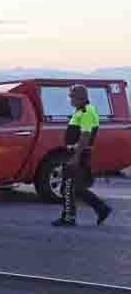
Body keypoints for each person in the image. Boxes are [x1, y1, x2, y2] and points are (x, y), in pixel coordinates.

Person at [52, 84, 112, 227]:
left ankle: (68, 218)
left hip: (78, 153)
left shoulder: (86, 112)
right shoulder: (82, 111)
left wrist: (75, 157)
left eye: (71, 97)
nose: (70, 100)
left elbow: (85, 136)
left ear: (81, 97)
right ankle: (102, 209)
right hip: (77, 152)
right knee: (76, 187)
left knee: (66, 186)